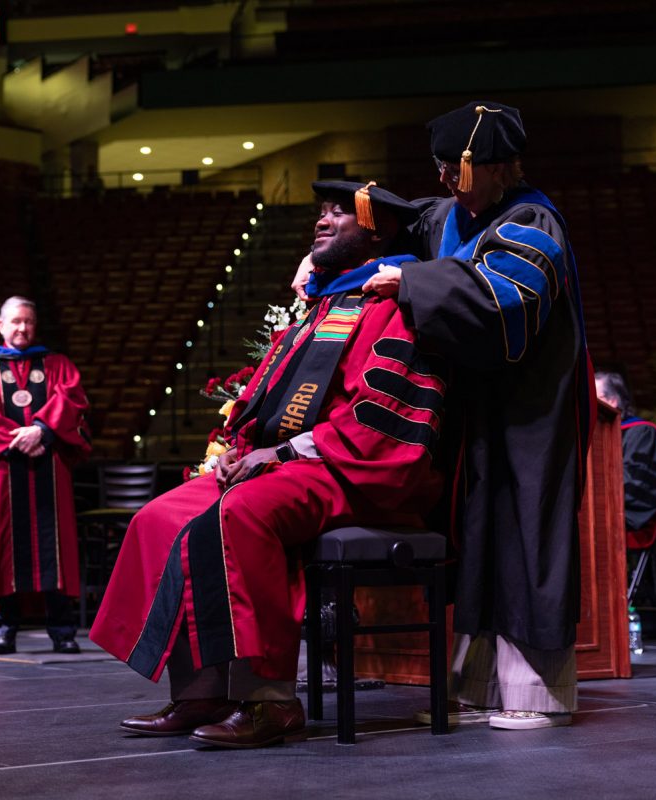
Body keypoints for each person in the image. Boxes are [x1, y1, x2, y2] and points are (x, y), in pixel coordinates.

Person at [91, 181, 446, 749]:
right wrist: (239, 446)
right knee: (157, 517)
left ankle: (269, 700)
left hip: (351, 470)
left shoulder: (395, 308)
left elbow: (379, 419)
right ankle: (203, 689)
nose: (322, 222)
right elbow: (267, 399)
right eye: (321, 212)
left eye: (339, 214)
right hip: (283, 467)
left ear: (377, 231)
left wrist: (277, 453)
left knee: (242, 514)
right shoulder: (322, 308)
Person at [294, 103, 592, 730]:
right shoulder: (449, 218)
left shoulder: (533, 221)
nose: (445, 178)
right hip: (474, 416)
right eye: (441, 166)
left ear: (500, 168)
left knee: (525, 539)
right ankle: (480, 685)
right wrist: (316, 261)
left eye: (459, 167)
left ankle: (537, 692)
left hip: (528, 411)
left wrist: (411, 284)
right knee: (480, 542)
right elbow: (385, 222)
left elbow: (499, 304)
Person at [0, 297, 92, 656]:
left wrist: (43, 430)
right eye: (15, 322)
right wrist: (22, 437)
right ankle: (3, 630)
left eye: (28, 322)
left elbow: (72, 399)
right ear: (1, 325)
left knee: (56, 549)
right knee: (1, 551)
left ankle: (63, 630)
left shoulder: (58, 363)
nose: (22, 329)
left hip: (49, 468)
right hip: (1, 471)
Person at [595, 371, 656, 550]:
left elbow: (636, 488)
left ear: (612, 401)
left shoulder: (642, 434)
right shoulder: (592, 436)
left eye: (593, 398)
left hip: (625, 516)